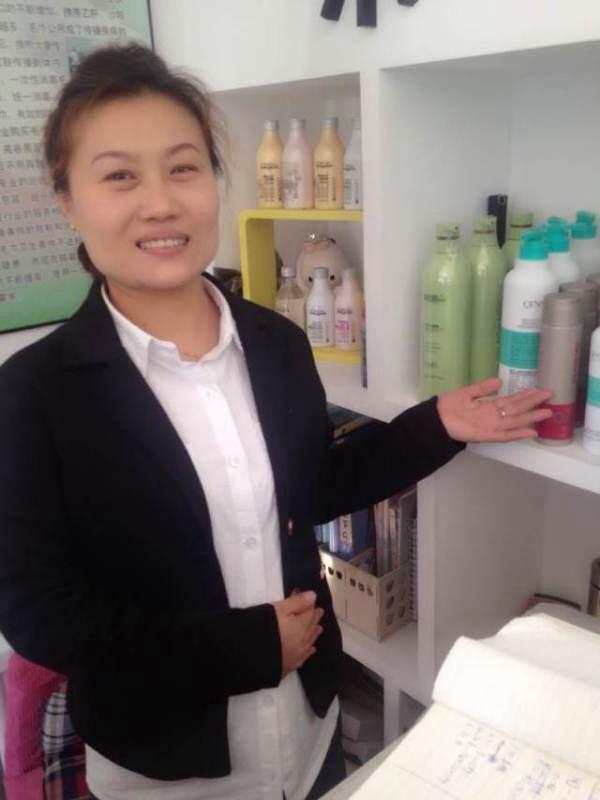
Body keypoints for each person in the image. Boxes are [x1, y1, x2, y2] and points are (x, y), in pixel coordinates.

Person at [0, 44, 552, 800]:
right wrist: (247, 649)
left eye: (183, 167)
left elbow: (313, 486)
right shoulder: (32, 394)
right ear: (68, 200)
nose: (160, 203)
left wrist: (437, 425)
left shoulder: (275, 343)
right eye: (120, 175)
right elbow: (38, 613)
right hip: (164, 773)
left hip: (308, 733)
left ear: (214, 181)